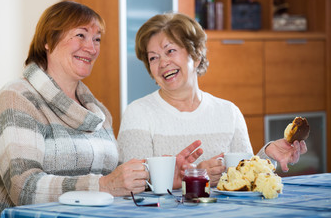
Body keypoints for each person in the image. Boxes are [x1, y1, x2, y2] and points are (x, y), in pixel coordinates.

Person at [0, 1, 202, 217]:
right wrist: (102, 186)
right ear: (48, 41)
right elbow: (24, 188)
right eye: (80, 35)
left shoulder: (96, 109)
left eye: (97, 39)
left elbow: (114, 175)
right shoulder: (18, 97)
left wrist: (157, 177)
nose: (91, 48)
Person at [117, 12, 308, 187]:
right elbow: (133, 185)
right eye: (153, 58)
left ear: (196, 54)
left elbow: (246, 177)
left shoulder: (228, 112)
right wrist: (195, 177)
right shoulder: (138, 113)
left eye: (170, 51)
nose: (163, 63)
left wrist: (268, 156)